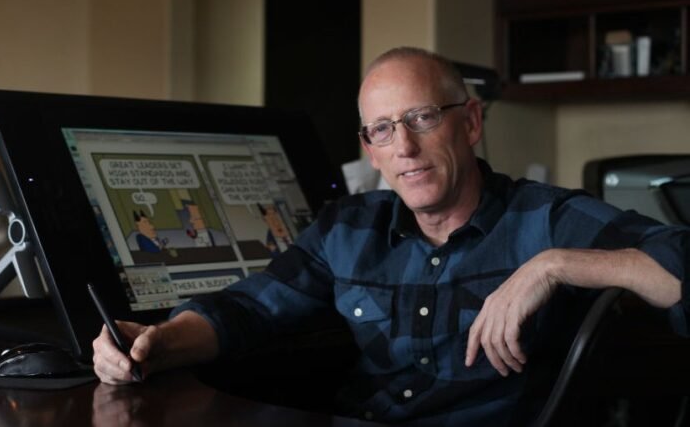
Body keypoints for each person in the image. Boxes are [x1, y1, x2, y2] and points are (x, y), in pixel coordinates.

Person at [93, 47, 688, 425]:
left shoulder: (544, 220)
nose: (404, 146)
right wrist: (159, 342)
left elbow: (681, 261)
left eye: (422, 118)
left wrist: (553, 264)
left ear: (470, 123)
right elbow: (249, 309)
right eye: (382, 129)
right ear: (370, 150)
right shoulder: (348, 228)